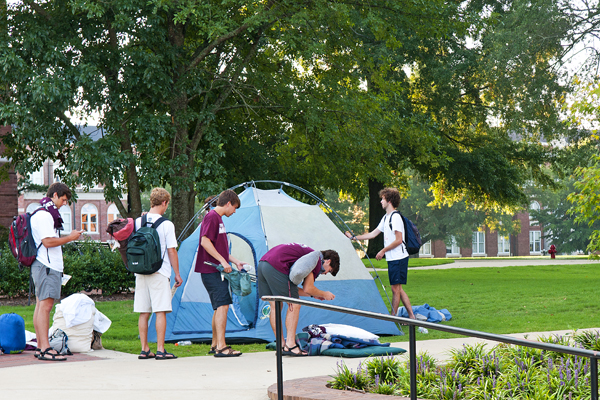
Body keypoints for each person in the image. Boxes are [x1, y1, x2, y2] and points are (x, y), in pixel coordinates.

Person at [30, 183, 84, 361]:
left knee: (40, 305)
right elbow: (48, 242)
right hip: (47, 265)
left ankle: (40, 346)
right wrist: (70, 237)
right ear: (54, 195)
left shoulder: (41, 212)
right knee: (45, 307)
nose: (64, 204)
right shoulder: (45, 215)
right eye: (63, 199)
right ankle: (45, 348)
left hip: (42, 265)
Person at [257, 243, 340, 356]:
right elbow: (308, 288)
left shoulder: (305, 255)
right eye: (328, 271)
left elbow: (290, 288)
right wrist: (324, 293)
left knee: (276, 305)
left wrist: (313, 295)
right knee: (295, 304)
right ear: (328, 261)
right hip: (277, 266)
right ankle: (290, 345)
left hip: (264, 263)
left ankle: (281, 345)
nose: (324, 273)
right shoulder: (315, 260)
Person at [345, 187, 416, 319]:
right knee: (398, 288)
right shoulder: (386, 218)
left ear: (389, 200)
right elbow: (373, 234)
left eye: (382, 199)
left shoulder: (395, 217)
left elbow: (399, 240)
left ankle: (392, 319)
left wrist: (383, 251)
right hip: (393, 258)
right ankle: (412, 317)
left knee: (395, 289)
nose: (380, 202)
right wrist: (354, 238)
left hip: (399, 258)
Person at [196, 189, 248, 357]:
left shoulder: (217, 219)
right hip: (212, 270)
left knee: (219, 307)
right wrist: (223, 262)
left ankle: (214, 344)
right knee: (223, 306)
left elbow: (219, 248)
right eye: (235, 208)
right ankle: (222, 347)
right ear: (228, 203)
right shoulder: (212, 217)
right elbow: (205, 242)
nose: (234, 211)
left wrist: (235, 261)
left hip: (216, 269)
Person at [134, 187, 183, 360]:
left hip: (140, 271)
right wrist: (177, 273)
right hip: (159, 271)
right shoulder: (167, 225)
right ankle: (161, 349)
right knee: (160, 310)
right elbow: (172, 251)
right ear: (164, 203)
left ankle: (144, 349)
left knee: (143, 311)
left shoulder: (138, 221)